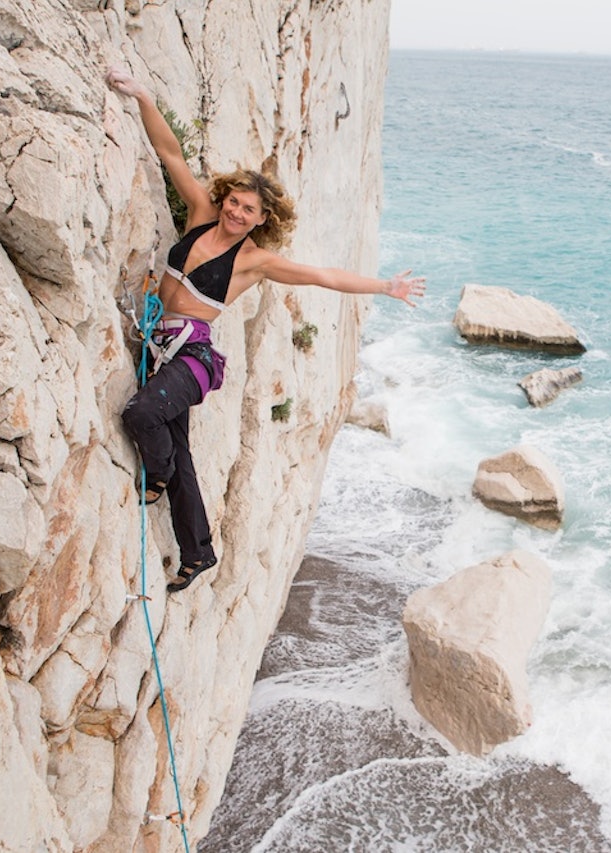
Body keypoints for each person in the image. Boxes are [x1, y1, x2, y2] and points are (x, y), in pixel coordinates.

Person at [107, 67, 425, 593]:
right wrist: (142, 95)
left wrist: (385, 286)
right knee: (182, 451)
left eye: (248, 209)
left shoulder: (255, 261)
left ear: (260, 219)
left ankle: (156, 475)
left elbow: (323, 276)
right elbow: (171, 155)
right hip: (160, 346)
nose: (236, 211)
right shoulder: (201, 215)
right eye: (234, 201)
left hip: (193, 358)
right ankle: (197, 552)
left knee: (142, 413)